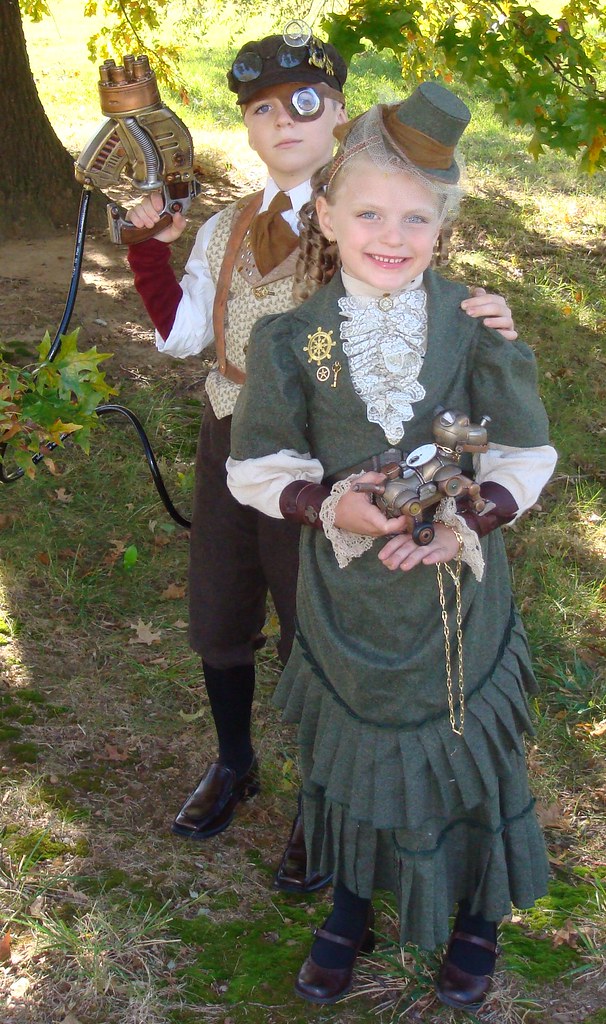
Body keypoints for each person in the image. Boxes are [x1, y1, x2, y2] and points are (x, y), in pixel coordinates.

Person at [125, 27, 518, 894]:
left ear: (339, 115)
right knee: (220, 607)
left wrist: (487, 321)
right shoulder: (226, 226)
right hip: (232, 435)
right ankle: (235, 760)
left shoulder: (368, 217)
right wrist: (149, 247)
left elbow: (422, 316)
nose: (284, 121)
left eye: (306, 103)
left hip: (336, 459)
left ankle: (326, 793)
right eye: (262, 109)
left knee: (319, 621)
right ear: (246, 126)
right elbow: (183, 335)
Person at [227, 81, 557, 1009]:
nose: (392, 235)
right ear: (327, 216)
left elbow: (524, 450)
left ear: (443, 227)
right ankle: (351, 901)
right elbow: (258, 465)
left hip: (457, 598)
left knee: (467, 743)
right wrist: (331, 506)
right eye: (369, 212)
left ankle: (479, 910)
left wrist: (469, 519)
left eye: (418, 217)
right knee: (355, 750)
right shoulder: (294, 340)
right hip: (351, 599)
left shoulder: (473, 323)